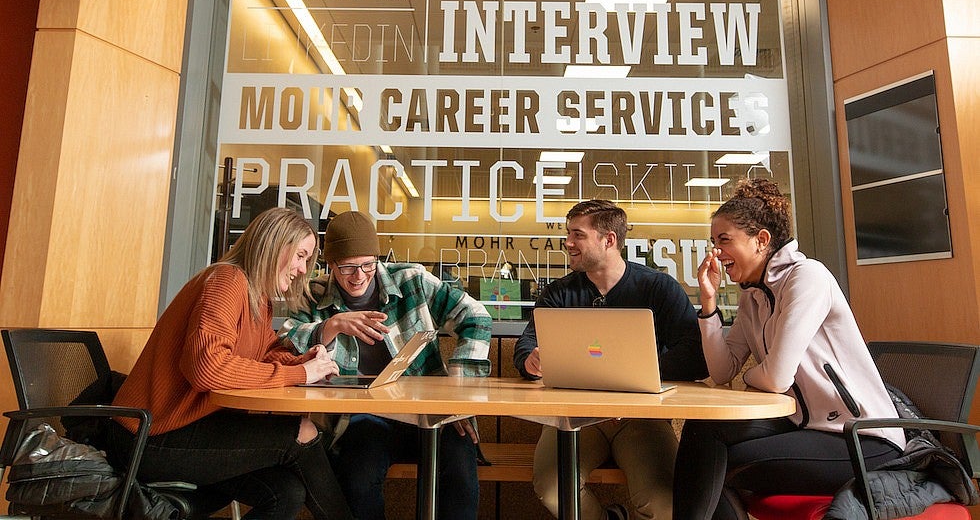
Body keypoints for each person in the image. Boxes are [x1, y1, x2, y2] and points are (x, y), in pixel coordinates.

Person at [672, 178, 906, 520]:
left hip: (861, 437)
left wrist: (754, 376)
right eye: (713, 243)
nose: (716, 253)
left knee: (713, 464)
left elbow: (777, 377)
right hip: (805, 425)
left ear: (761, 240)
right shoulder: (753, 295)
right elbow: (722, 372)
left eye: (724, 241)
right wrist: (708, 304)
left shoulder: (807, 277)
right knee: (704, 428)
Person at [106, 207, 353, 520]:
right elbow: (207, 368)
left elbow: (265, 351)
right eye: (301, 256)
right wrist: (301, 372)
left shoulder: (256, 296)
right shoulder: (227, 281)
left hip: (188, 428)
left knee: (286, 493)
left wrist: (305, 360)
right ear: (276, 246)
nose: (303, 270)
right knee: (302, 433)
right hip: (148, 438)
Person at [279, 210, 492, 520]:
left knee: (460, 463)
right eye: (348, 267)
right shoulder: (314, 296)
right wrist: (332, 325)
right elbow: (285, 341)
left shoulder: (411, 280)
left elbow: (475, 315)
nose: (360, 276)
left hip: (429, 412)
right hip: (362, 418)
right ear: (330, 264)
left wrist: (458, 396)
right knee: (358, 475)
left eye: (368, 264)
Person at [514, 199, 708, 520]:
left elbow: (694, 356)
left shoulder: (658, 288)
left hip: (641, 418)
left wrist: (636, 371)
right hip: (573, 418)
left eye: (577, 235)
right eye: (568, 234)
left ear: (609, 240)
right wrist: (529, 362)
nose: (568, 243)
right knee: (551, 489)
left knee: (664, 503)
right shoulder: (559, 293)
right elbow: (526, 346)